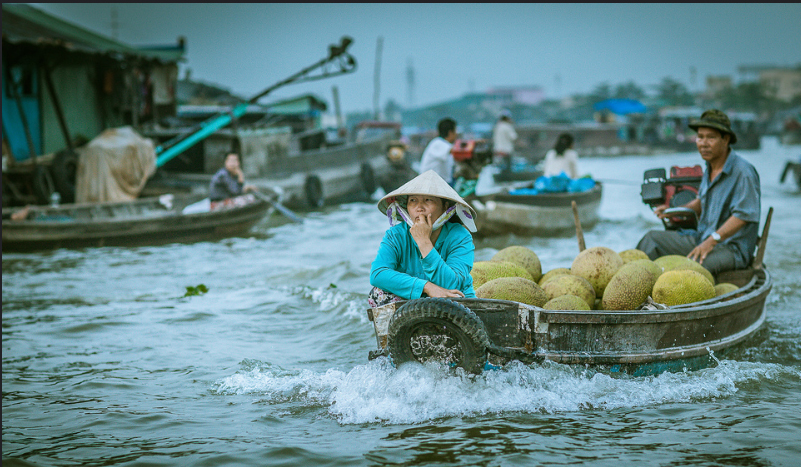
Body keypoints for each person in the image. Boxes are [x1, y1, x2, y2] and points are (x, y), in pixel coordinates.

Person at [636, 109, 761, 275]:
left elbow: (743, 216)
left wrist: (711, 241)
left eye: (711, 137)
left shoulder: (743, 172)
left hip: (731, 249)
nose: (703, 143)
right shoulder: (710, 167)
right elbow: (702, 202)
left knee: (690, 270)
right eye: (700, 137)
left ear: (726, 140)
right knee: (651, 240)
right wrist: (672, 211)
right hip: (701, 237)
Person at [368, 170, 478, 308]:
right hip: (414, 304)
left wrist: (424, 242)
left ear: (445, 207)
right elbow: (377, 274)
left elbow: (452, 284)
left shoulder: (460, 236)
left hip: (455, 306)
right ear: (406, 207)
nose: (419, 208)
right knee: (378, 294)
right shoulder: (396, 235)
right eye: (413, 200)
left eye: (428, 200)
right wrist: (426, 286)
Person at [419, 118, 457, 185]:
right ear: (450, 132)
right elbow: (456, 150)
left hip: (440, 182)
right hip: (430, 183)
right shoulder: (438, 143)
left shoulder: (445, 145)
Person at [492, 109, 518, 175]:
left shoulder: (497, 126)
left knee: (499, 168)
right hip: (506, 151)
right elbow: (514, 137)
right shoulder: (508, 126)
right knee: (508, 169)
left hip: (498, 150)